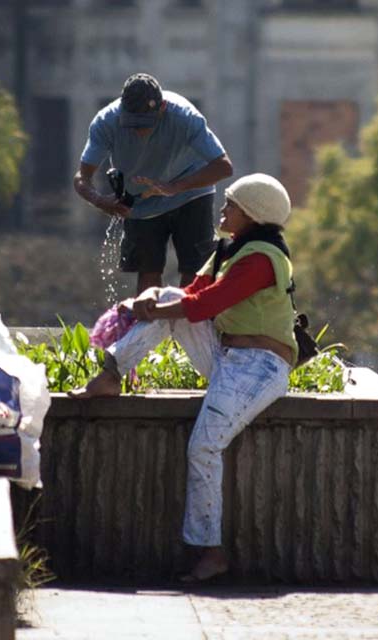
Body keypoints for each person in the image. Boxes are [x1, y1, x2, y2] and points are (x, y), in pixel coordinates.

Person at [70, 174, 298, 583]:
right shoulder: (229, 249)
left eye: (231, 204)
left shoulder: (263, 258)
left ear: (253, 213)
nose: (223, 209)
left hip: (259, 366)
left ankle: (211, 552)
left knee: (204, 447)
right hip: (227, 356)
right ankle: (111, 372)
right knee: (171, 296)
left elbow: (209, 303)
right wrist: (149, 298)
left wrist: (151, 310)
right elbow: (192, 292)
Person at [73, 73, 234, 293]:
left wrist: (175, 187)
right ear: (122, 110)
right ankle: (149, 315)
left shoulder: (185, 117)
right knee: (147, 270)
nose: (140, 131)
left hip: (190, 191)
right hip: (141, 199)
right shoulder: (106, 122)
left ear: (163, 107)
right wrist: (100, 201)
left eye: (146, 124)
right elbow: (82, 178)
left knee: (194, 269)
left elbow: (224, 167)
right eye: (133, 124)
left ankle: (185, 315)